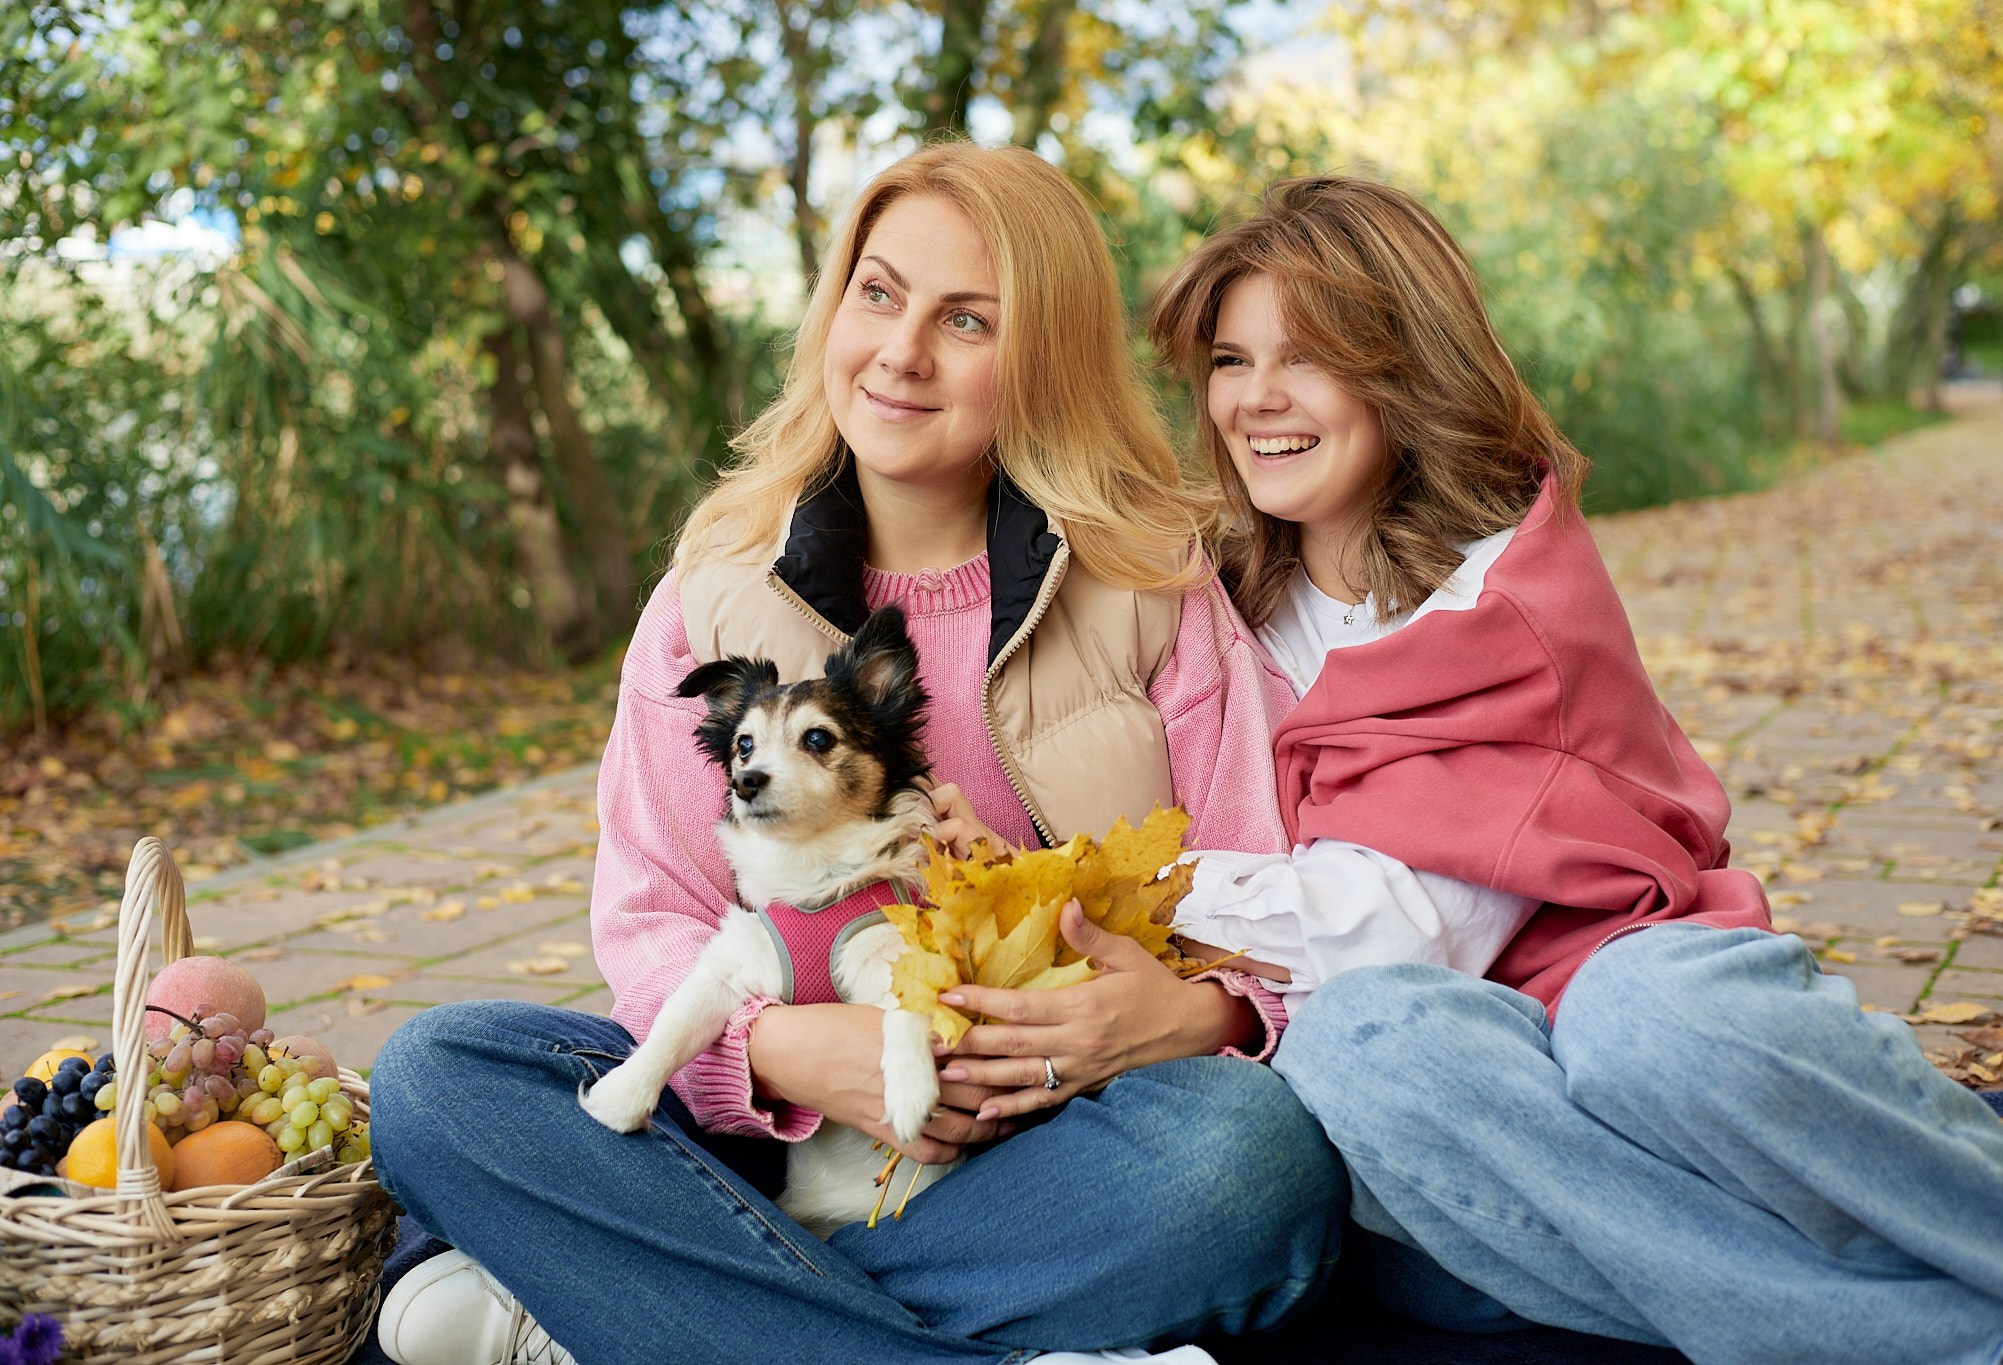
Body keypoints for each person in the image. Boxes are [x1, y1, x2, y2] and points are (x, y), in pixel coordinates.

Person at [365, 142, 1346, 1365]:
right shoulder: (712, 596)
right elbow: (651, 918)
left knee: (1251, 1165)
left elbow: (1268, 900)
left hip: (1055, 1142)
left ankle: (635, 1313)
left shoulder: (1149, 583)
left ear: (1037, 358)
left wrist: (1188, 1019)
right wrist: (778, 1050)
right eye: (876, 295)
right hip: (777, 1135)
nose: (900, 351)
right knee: (440, 1076)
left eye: (965, 320)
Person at [1141, 174, 2003, 1365]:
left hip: (1649, 1038)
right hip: (1480, 1153)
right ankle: (1969, 1341)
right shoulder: (1199, 610)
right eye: (1226, 360)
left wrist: (1158, 893)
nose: (1255, 399)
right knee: (1355, 1045)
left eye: (1304, 358)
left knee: (1644, 1015)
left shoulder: (1510, 603)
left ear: (1404, 366)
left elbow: (1418, 916)